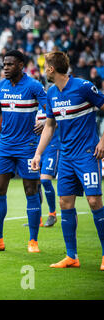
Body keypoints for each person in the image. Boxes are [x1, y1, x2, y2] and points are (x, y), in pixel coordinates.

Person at [31, 51, 104, 270]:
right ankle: (72, 256)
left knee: (94, 202)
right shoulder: (51, 93)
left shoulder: (83, 87)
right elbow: (50, 125)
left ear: (52, 69)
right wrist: (38, 154)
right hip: (66, 157)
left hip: (87, 154)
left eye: (45, 67)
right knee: (65, 203)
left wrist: (103, 140)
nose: (44, 71)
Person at [0, 50, 47, 253]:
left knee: (31, 191)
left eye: (9, 64)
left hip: (28, 148)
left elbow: (51, 108)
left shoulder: (33, 86)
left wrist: (44, 120)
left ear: (21, 65)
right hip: (5, 147)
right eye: (3, 64)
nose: (5, 67)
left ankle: (33, 241)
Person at [35, 106, 60, 227]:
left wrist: (44, 124)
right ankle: (37, 218)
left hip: (51, 147)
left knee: (45, 180)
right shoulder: (32, 105)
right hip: (36, 148)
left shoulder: (51, 103)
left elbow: (58, 121)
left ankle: (52, 214)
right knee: (35, 183)